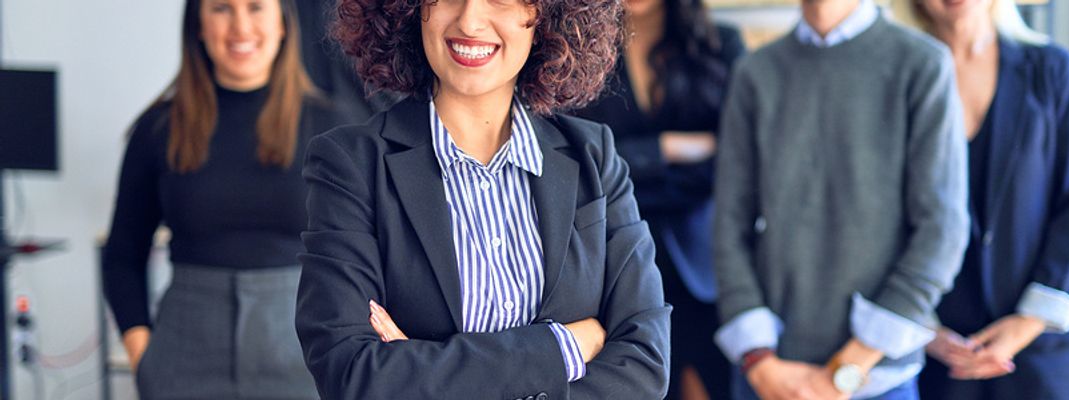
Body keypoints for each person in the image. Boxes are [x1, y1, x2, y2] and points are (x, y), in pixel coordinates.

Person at [293, 0, 671, 398]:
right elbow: (353, 375)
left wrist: (424, 369)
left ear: (547, 13)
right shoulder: (351, 165)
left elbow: (645, 365)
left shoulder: (594, 157)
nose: (470, 20)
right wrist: (562, 348)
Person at [711, 0, 971, 398]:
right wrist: (759, 361)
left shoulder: (922, 64)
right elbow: (728, 224)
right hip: (767, 378)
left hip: (878, 379)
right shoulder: (755, 72)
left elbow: (943, 231)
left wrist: (847, 368)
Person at [101, 0, 349, 398]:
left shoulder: (335, 130)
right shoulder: (158, 129)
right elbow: (122, 256)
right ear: (198, 26)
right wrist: (142, 356)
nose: (240, 26)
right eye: (221, 8)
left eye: (255, 8)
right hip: (183, 354)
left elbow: (370, 257)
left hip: (304, 356)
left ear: (284, 23)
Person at [889, 0, 1069, 398]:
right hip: (938, 345)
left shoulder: (1050, 69)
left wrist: (1029, 321)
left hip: (1039, 343)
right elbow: (880, 212)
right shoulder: (896, 76)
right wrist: (921, 324)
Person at [573, 0, 743, 397]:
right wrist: (667, 148)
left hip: (706, 257)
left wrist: (632, 164)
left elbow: (739, 155)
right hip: (612, 250)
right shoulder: (580, 48)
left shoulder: (722, 43)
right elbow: (579, 157)